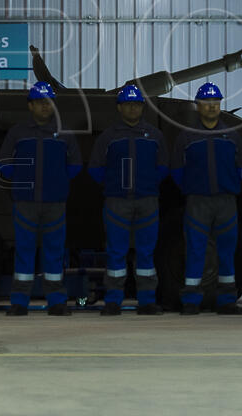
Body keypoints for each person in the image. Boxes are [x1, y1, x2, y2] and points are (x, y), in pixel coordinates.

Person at [0, 81, 82, 316]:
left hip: (55, 203)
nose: (45, 106)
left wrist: (58, 183)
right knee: (24, 251)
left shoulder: (64, 133)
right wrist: (21, 182)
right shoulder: (18, 133)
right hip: (25, 203)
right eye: (39, 102)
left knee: (54, 252)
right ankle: (19, 302)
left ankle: (56, 301)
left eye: (48, 102)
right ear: (30, 106)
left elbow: (75, 165)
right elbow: (4, 164)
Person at [89, 84, 169, 316]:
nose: (132, 108)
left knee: (146, 252)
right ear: (119, 108)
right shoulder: (108, 137)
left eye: (136, 104)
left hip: (147, 201)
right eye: (128, 104)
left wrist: (149, 183)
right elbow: (95, 168)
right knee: (116, 251)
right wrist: (113, 186)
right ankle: (114, 301)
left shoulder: (155, 136)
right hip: (117, 202)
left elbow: (164, 166)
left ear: (142, 107)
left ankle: (146, 301)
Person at [171, 82, 242, 315]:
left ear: (220, 105)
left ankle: (226, 301)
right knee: (195, 249)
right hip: (197, 202)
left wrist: (230, 186)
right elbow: (176, 170)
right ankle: (191, 301)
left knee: (226, 251)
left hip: (226, 202)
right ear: (198, 106)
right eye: (206, 103)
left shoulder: (232, 136)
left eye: (215, 103)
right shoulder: (187, 137)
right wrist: (191, 188)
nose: (212, 107)